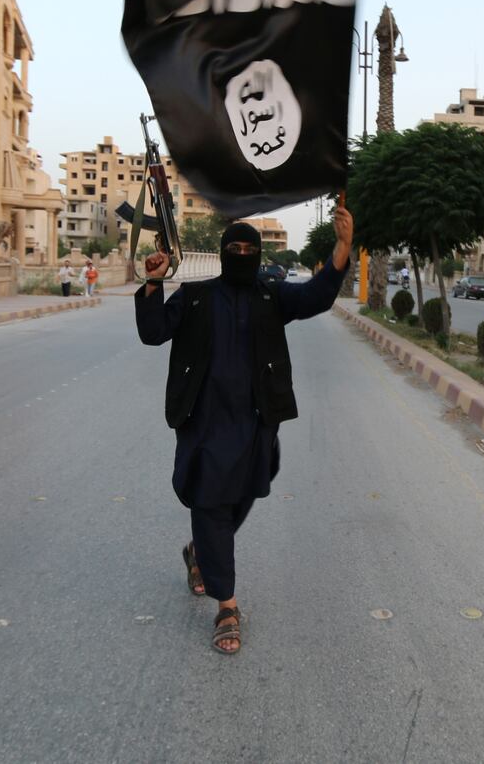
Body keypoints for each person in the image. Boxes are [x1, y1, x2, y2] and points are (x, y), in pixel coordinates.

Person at [135, 207, 353, 655]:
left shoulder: (270, 296)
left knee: (251, 486)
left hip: (256, 421)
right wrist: (153, 283)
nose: (241, 254)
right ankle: (227, 605)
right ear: (222, 254)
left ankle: (200, 550)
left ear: (257, 255)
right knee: (211, 500)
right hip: (205, 423)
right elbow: (153, 332)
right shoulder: (196, 297)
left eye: (248, 249)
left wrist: (343, 248)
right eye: (233, 249)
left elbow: (315, 296)